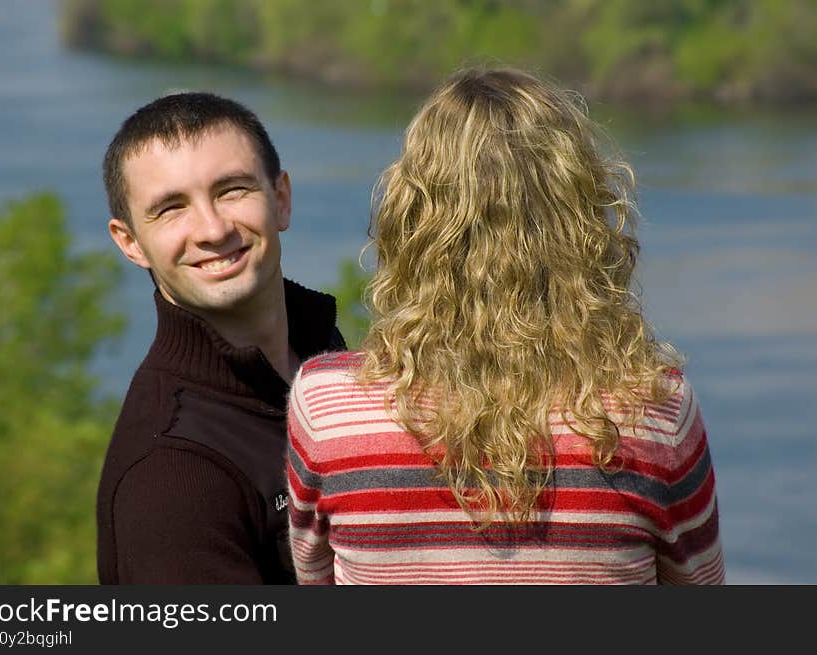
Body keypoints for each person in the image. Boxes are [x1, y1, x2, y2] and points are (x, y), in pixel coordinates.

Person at [286, 67, 725, 585]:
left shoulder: (326, 409)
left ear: (410, 219)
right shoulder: (656, 411)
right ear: (584, 218)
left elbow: (313, 579)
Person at [96, 91, 345, 584]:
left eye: (232, 190)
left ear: (281, 200)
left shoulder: (323, 353)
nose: (211, 229)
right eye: (170, 208)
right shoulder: (171, 476)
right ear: (130, 243)